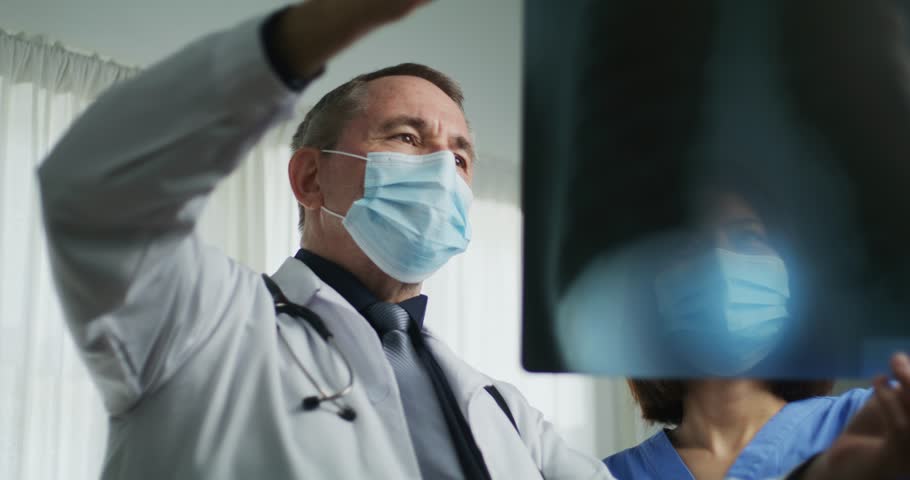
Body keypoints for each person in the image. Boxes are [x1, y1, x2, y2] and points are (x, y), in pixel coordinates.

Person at [36, 1, 613, 479]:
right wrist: (316, 27)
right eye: (408, 137)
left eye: (459, 157)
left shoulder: (504, 411)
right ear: (310, 178)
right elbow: (96, 188)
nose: (443, 171)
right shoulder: (199, 325)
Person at [604, 187, 910, 479]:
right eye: (687, 245)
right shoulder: (606, 476)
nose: (719, 265)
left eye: (748, 237)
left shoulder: (878, 422)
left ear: (796, 271)